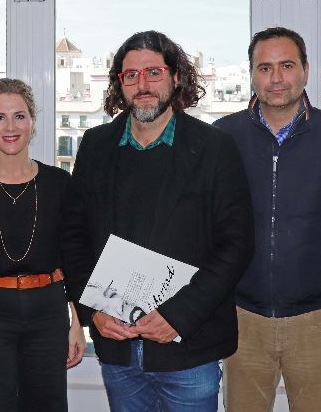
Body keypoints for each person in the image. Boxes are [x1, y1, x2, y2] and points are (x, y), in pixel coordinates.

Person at [61, 30, 254, 412]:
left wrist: (177, 317)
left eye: (153, 72)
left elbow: (236, 244)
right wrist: (92, 312)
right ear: (119, 83)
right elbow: (73, 237)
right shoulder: (95, 145)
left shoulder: (214, 148)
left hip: (188, 348)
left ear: (176, 77)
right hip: (116, 346)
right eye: (130, 75)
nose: (142, 84)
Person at [215, 27, 321, 411]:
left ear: (305, 70)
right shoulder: (222, 138)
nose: (276, 78)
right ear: (251, 74)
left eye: (286, 65)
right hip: (242, 318)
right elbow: (209, 220)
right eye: (264, 68)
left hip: (317, 320)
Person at [0, 78, 86, 411]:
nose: (11, 127)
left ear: (32, 122)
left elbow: (74, 258)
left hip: (48, 312)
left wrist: (78, 324)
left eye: (19, 116)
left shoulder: (59, 184)